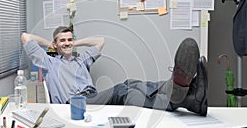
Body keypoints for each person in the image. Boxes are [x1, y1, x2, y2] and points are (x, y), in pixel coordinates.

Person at [21, 26, 208, 116]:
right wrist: (53, 46)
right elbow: (26, 37)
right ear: (56, 44)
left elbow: (100, 40)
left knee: (129, 84)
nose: (67, 43)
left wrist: (73, 43)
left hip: (91, 97)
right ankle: (180, 99)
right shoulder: (48, 62)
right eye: (63, 40)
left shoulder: (82, 60)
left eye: (70, 39)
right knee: (122, 91)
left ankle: (184, 95)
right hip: (73, 104)